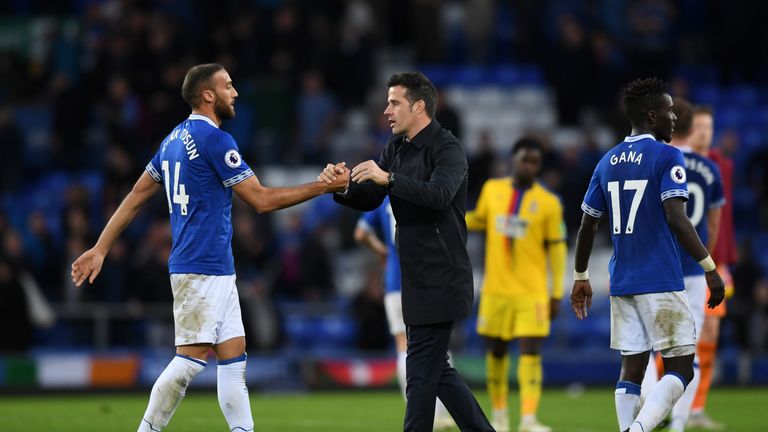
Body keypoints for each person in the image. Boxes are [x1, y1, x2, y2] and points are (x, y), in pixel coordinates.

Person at [70, 63, 349, 432]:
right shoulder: (214, 140)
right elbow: (261, 200)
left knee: (233, 360)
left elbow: (137, 194)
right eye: (228, 86)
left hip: (215, 267)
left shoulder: (172, 140)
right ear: (207, 94)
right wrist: (322, 187)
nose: (235, 93)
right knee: (189, 361)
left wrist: (101, 247)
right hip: (200, 267)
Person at [320, 71, 493, 432]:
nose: (386, 111)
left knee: (418, 371)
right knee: (438, 371)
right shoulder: (396, 148)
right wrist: (340, 187)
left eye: (394, 103)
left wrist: (390, 179)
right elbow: (370, 198)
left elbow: (439, 195)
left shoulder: (448, 148)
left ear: (418, 106)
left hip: (443, 274)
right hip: (414, 275)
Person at [569, 77, 725, 432]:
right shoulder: (667, 156)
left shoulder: (606, 161)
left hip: (622, 279)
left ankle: (627, 428)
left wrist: (580, 276)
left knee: (632, 366)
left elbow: (587, 225)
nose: (675, 118)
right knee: (682, 368)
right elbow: (676, 217)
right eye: (670, 111)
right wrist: (710, 268)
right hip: (660, 278)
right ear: (652, 115)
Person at [465, 137, 567, 432]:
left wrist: (556, 292)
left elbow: (558, 250)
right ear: (514, 159)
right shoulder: (492, 190)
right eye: (525, 159)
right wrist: (451, 217)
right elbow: (479, 220)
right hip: (496, 289)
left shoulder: (549, 203)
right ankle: (498, 416)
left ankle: (528, 418)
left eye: (534, 162)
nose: (529, 166)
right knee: (495, 352)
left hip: (532, 292)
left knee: (530, 351)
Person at [640, 98, 724, 432]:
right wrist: (707, 261)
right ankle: (677, 424)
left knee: (645, 346)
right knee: (688, 351)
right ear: (694, 128)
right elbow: (714, 226)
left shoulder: (659, 162)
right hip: (694, 270)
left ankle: (648, 405)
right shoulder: (710, 169)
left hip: (660, 266)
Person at [355, 196, 456, 430]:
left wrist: (382, 251)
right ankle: (439, 412)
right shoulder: (420, 192)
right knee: (436, 342)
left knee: (403, 345)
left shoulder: (381, 200)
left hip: (394, 283)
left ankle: (415, 411)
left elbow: (360, 233)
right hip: (423, 279)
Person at [687, 105, 736, 430]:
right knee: (677, 336)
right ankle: (667, 398)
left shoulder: (722, 166)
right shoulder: (679, 162)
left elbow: (725, 220)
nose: (705, 132)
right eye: (700, 126)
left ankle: (696, 408)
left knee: (710, 332)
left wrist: (726, 260)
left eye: (709, 126)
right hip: (683, 264)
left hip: (714, 264)